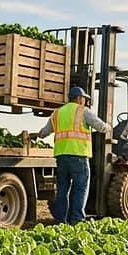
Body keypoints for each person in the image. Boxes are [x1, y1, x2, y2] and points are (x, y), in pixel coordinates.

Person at [37, 85, 110, 224]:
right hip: (78, 156)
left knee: (62, 189)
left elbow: (45, 131)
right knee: (80, 188)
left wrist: (39, 135)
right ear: (78, 98)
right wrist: (109, 127)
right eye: (84, 98)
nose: (85, 101)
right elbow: (100, 126)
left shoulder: (57, 113)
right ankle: (77, 219)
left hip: (61, 157)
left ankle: (60, 219)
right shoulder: (83, 111)